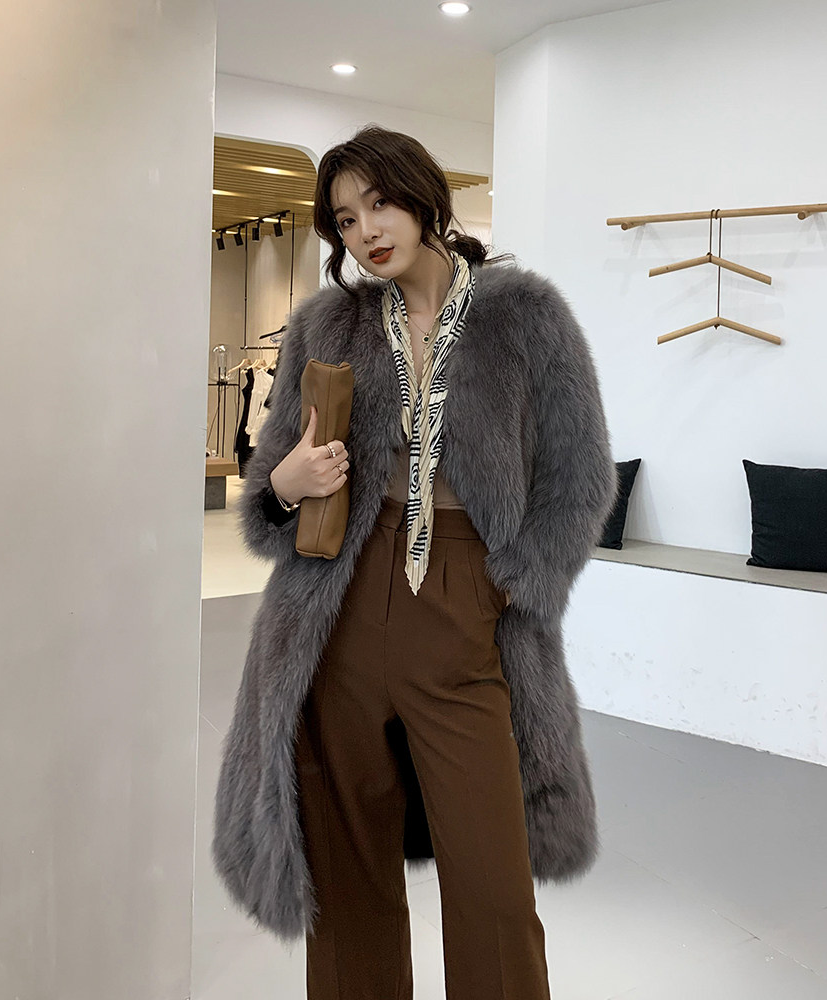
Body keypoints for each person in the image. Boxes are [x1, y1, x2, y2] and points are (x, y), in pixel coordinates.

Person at [212, 124, 617, 1000]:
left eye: (380, 202)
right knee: (348, 878)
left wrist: (510, 586)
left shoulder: (524, 315)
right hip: (339, 608)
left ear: (424, 194)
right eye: (345, 219)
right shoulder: (330, 323)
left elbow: (580, 478)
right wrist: (284, 483)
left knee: (494, 891)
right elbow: (271, 486)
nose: (367, 230)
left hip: (468, 603)